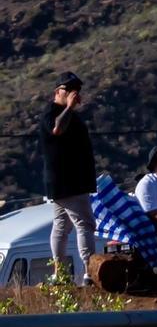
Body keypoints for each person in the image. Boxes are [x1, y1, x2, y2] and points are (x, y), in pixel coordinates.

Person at [38, 71, 98, 285]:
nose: (74, 95)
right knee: (85, 224)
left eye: (77, 91)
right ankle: (90, 273)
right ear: (58, 92)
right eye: (69, 91)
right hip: (68, 182)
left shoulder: (70, 115)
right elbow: (57, 129)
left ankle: (60, 274)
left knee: (61, 226)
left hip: (70, 182)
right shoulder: (52, 113)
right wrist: (70, 108)